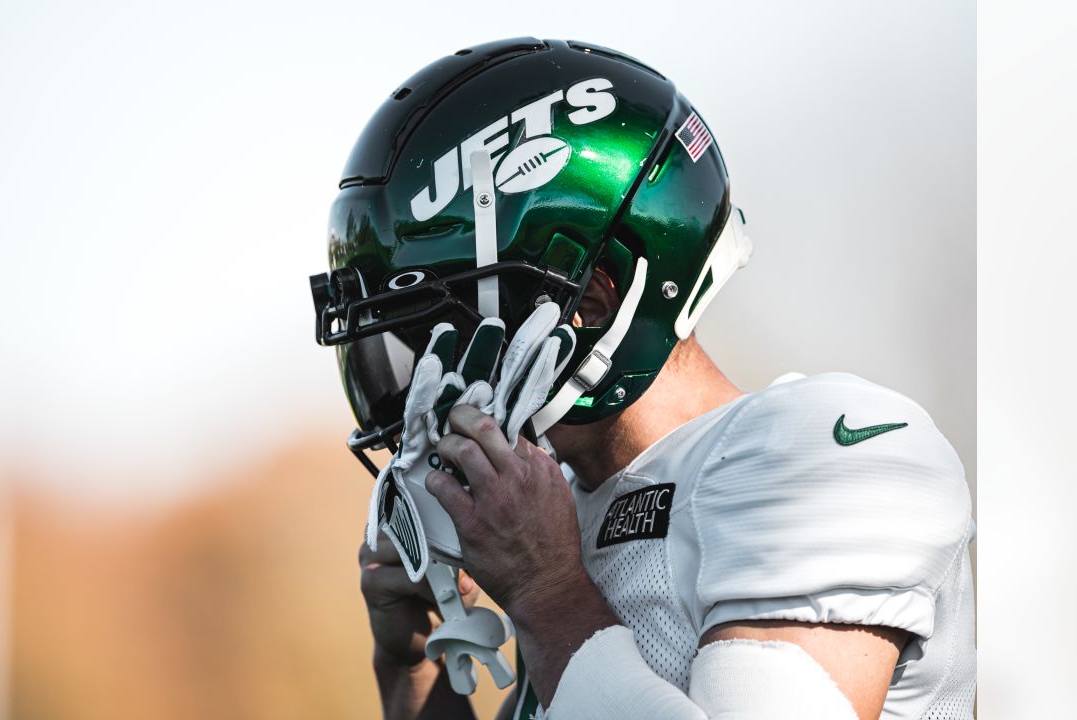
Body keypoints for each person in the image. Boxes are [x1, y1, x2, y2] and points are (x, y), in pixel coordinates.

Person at [311, 38, 974, 720]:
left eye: (437, 333)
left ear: (593, 303)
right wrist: (417, 663)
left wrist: (547, 593)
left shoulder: (824, 450)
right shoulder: (568, 510)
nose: (420, 384)